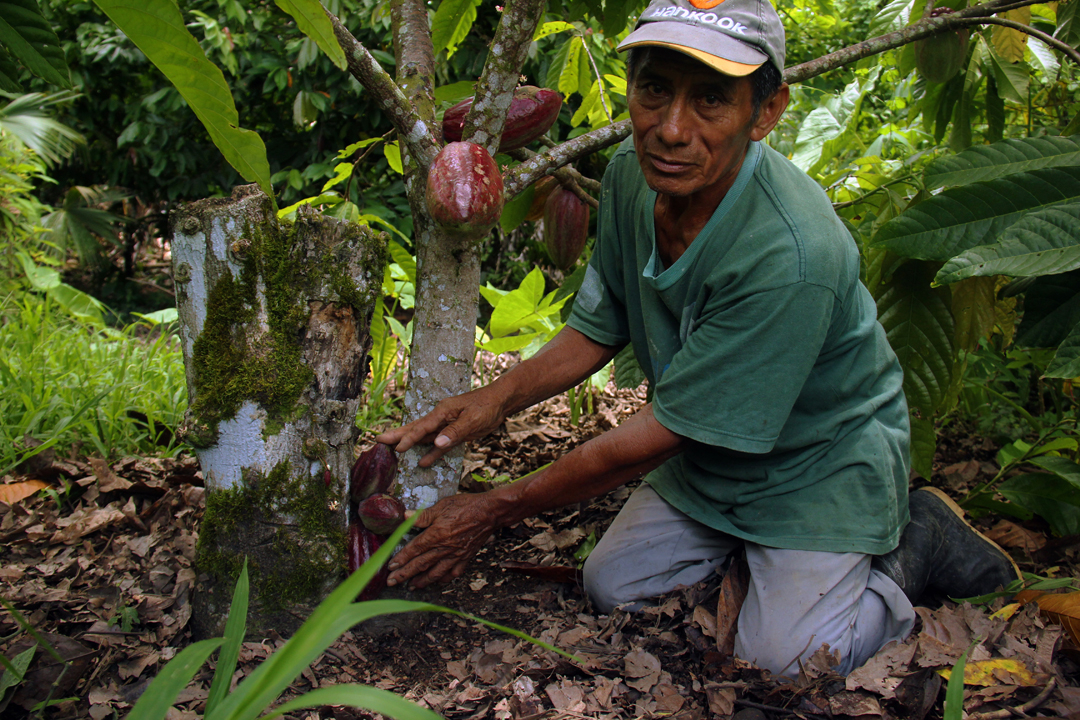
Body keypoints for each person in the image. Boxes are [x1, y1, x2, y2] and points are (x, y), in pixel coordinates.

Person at [377, 0, 1020, 677]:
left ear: (766, 113)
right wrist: (496, 399)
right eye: (655, 89)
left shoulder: (794, 254)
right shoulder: (632, 175)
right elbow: (601, 324)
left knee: (787, 662)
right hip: (716, 453)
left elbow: (663, 432)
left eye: (711, 100)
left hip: (820, 466)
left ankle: (915, 544)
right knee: (614, 586)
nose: (670, 130)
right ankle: (763, 561)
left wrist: (492, 508)